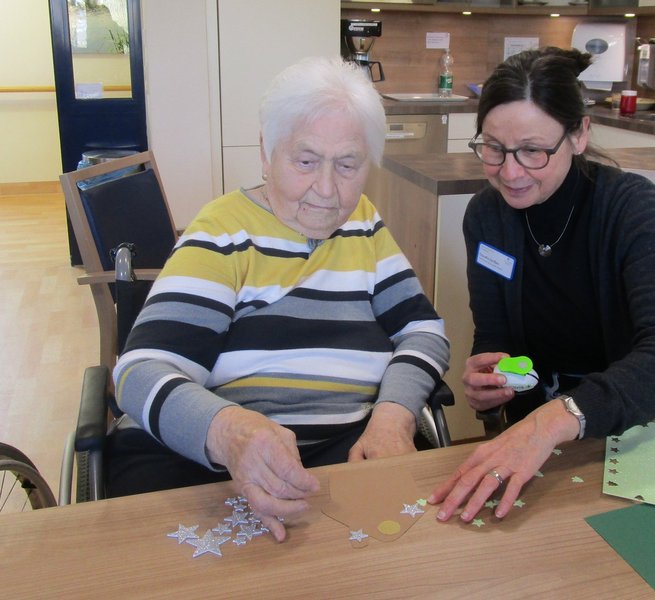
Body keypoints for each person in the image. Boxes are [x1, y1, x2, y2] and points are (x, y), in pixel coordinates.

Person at [108, 56, 450, 541]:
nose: (327, 190)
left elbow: (423, 330)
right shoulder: (223, 232)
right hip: (215, 468)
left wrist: (394, 416)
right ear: (266, 154)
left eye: (348, 165)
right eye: (305, 162)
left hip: (346, 455)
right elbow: (138, 373)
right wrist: (228, 432)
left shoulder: (364, 223)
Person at [428, 47, 655, 524]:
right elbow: (495, 333)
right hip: (560, 446)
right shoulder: (486, 216)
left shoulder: (630, 207)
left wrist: (556, 417)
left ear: (579, 135)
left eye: (533, 150)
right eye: (494, 148)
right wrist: (491, 377)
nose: (510, 172)